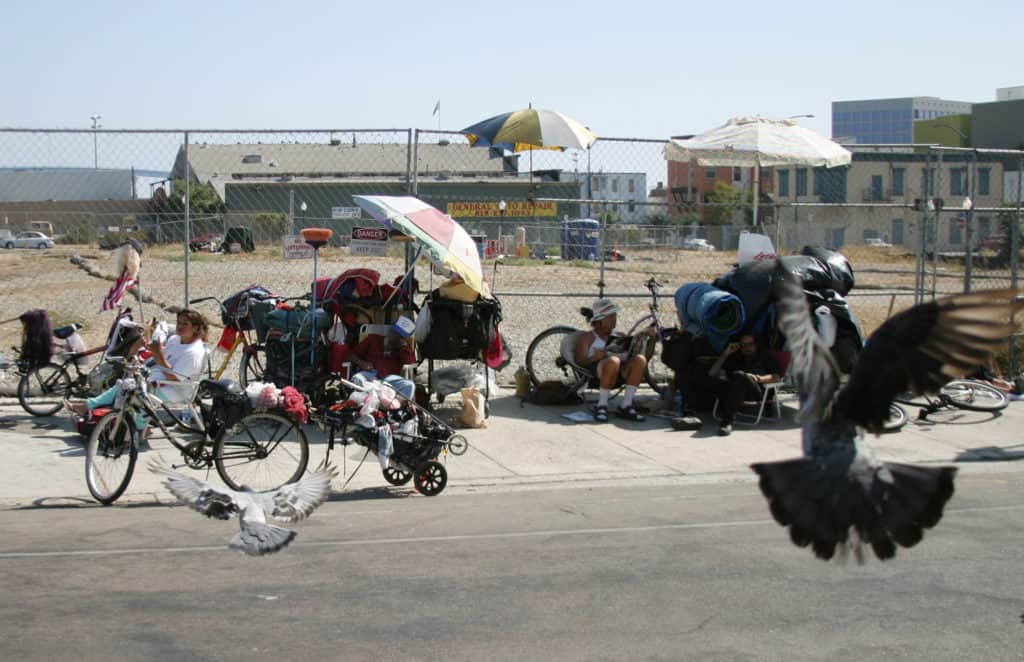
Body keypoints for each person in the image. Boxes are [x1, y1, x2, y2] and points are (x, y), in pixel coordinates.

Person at [66, 309, 209, 417]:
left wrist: (157, 354)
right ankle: (91, 407)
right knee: (124, 384)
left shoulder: (194, 352)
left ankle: (134, 424)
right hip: (159, 379)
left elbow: (175, 378)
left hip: (176, 389)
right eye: (179, 322)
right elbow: (162, 359)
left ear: (196, 328)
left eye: (185, 324)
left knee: (135, 392)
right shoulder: (175, 340)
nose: (180, 326)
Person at [574, 298, 651, 423]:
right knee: (613, 360)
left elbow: (646, 358)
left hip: (620, 372)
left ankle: (626, 405)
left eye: (615, 316)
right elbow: (579, 361)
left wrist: (649, 340)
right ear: (599, 320)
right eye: (610, 317)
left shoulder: (619, 335)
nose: (614, 320)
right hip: (598, 373)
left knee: (640, 359)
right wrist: (594, 357)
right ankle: (602, 405)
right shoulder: (588, 337)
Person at [708, 333, 781, 436]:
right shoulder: (736, 357)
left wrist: (757, 378)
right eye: (743, 345)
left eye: (750, 344)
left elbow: (776, 377)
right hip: (735, 391)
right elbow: (712, 373)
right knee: (717, 379)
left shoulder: (765, 355)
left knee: (739, 375)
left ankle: (727, 420)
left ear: (757, 344)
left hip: (757, 391)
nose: (747, 348)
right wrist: (725, 354)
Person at [349, 317, 417, 400]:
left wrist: (403, 348)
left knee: (409, 385)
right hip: (369, 377)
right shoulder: (373, 339)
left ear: (403, 339)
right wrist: (362, 363)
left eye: (400, 336)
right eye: (394, 332)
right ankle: (371, 400)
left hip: (389, 381)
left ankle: (396, 406)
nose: (394, 336)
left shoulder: (405, 350)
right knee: (357, 378)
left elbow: (410, 366)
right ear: (390, 330)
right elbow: (350, 355)